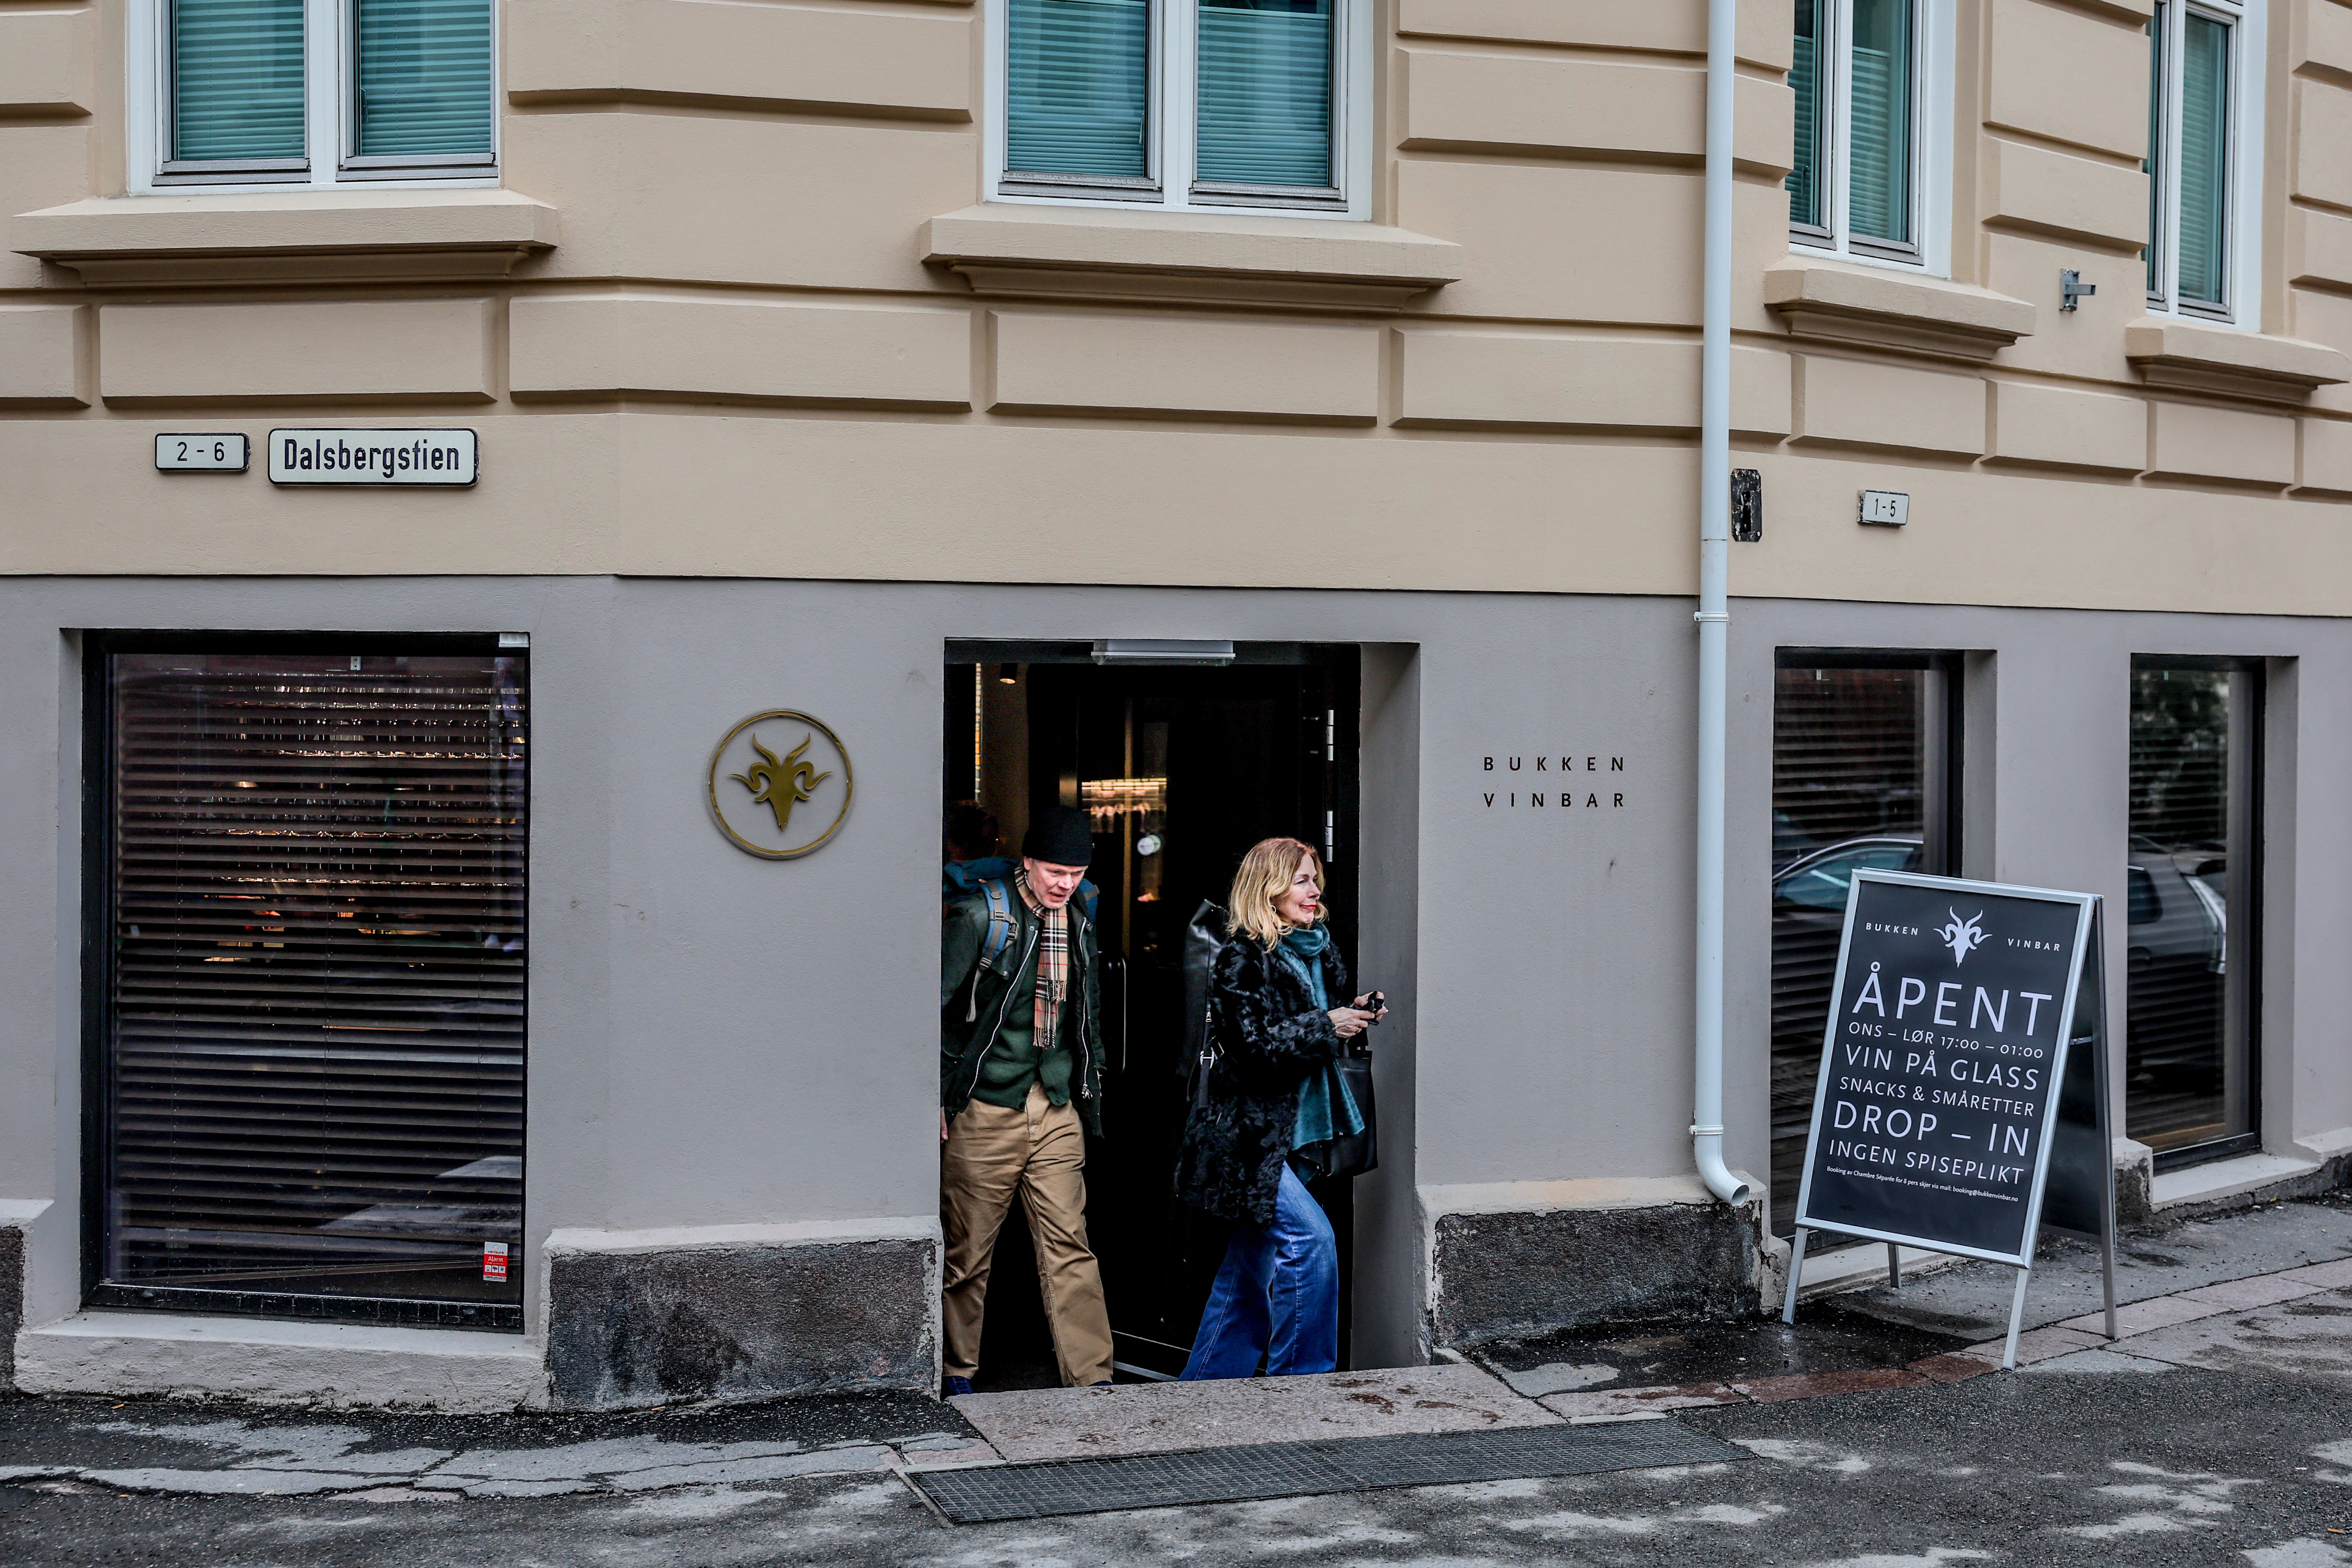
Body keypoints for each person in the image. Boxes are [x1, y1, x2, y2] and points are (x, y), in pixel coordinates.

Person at [1174, 837, 1384, 1379]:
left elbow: (1314, 1024)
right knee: (1310, 1241)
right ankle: (1302, 1385)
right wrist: (1325, 1024)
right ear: (1267, 888)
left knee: (1250, 1265)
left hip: (1292, 1128)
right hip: (1248, 1135)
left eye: (1315, 879)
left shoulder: (1318, 947)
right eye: (1301, 880)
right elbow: (1251, 1050)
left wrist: (1352, 1013)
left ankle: (1202, 1387)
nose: (1314, 890)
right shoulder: (1241, 956)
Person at [938, 804, 1115, 1397]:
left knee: (1070, 1243)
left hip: (1056, 1102)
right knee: (968, 1253)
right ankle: (956, 1372)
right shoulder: (977, 916)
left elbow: (1085, 1011)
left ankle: (1092, 1378)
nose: (1064, 883)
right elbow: (935, 1013)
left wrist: (1088, 1088)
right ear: (1029, 863)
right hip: (987, 1106)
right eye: (1053, 872)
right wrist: (938, 1096)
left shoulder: (1082, 916)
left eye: (1076, 871)